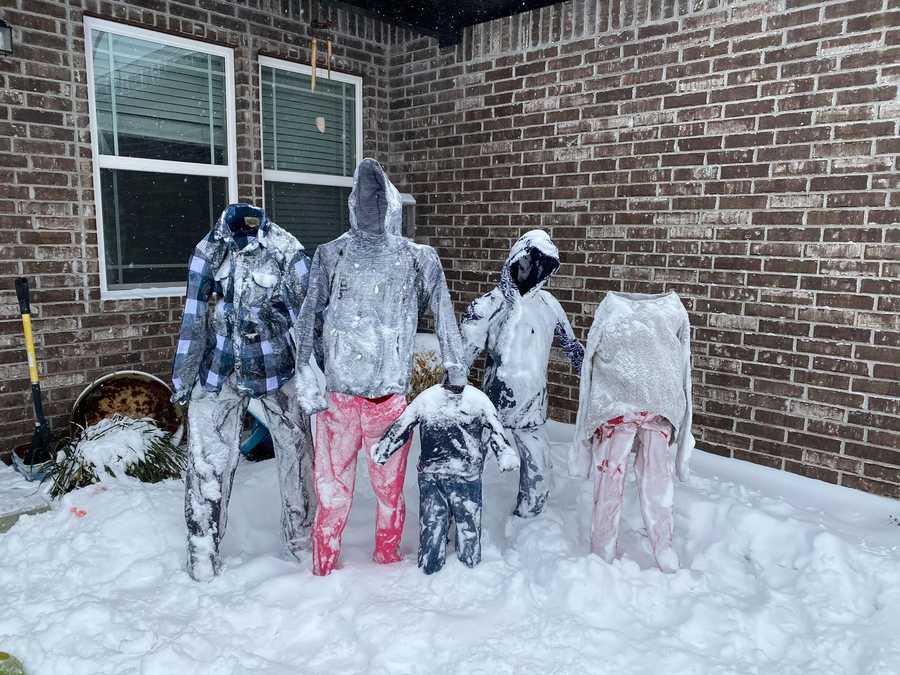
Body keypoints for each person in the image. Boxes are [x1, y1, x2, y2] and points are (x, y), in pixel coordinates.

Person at [293, 158, 467, 576]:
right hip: (338, 399)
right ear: (353, 205)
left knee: (389, 490)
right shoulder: (332, 253)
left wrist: (454, 365)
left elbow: (443, 312)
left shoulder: (418, 258)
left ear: (389, 206)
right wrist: (305, 372)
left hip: (388, 401)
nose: (369, 208)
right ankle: (323, 566)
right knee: (332, 492)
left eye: (376, 201)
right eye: (362, 201)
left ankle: (387, 566)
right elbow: (307, 317)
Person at [171, 203, 315, 581]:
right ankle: (202, 548)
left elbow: (310, 315)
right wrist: (184, 378)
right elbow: (193, 314)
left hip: (275, 368)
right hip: (219, 368)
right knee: (206, 458)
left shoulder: (286, 248)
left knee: (297, 452)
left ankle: (301, 539)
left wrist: (313, 373)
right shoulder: (210, 250)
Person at [460, 230, 583, 518]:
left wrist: (588, 370)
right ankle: (464, 517)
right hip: (491, 406)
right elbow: (463, 355)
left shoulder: (549, 305)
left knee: (539, 471)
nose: (530, 269)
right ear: (514, 260)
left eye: (539, 263)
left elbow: (572, 346)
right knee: (469, 463)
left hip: (533, 408)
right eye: (526, 260)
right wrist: (455, 392)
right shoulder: (489, 304)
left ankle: (529, 522)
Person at [570, 290, 694, 572]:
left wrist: (581, 443)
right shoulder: (667, 310)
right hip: (640, 407)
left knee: (622, 482)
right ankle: (652, 548)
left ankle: (609, 550)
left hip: (625, 406)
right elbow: (683, 368)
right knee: (651, 482)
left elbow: (589, 366)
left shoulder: (617, 308)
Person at [371, 383, 519, 574]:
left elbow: (404, 424)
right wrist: (504, 452)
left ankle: (434, 565)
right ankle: (466, 566)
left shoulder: (429, 397)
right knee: (466, 524)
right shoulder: (476, 399)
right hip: (461, 474)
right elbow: (496, 431)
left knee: (434, 522)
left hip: (436, 473)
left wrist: (384, 449)